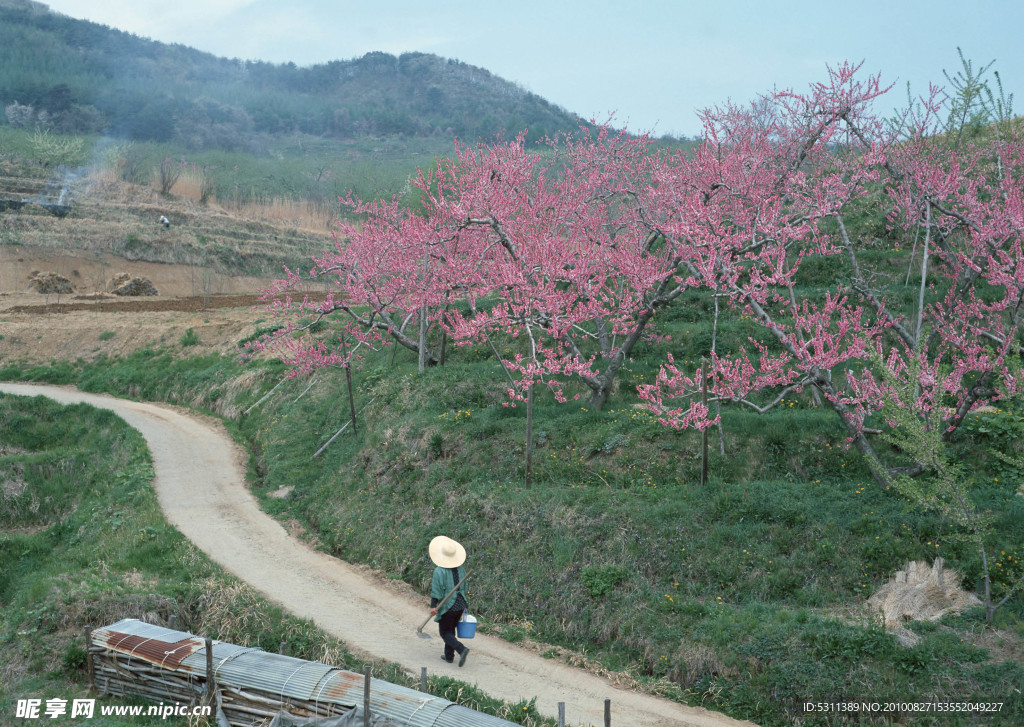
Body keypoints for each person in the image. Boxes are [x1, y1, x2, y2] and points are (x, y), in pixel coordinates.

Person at [428, 535, 470, 667]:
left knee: (445, 632)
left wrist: (433, 606)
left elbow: (437, 591)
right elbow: (464, 587)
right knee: (450, 629)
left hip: (448, 606)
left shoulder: (439, 571)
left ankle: (461, 649)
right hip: (460, 604)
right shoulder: (461, 569)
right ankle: (449, 656)